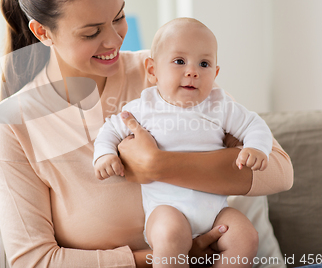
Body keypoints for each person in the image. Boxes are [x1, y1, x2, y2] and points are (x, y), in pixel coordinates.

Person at [0, 0, 293, 267]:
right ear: (42, 32)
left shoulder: (165, 70)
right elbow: (33, 261)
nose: (114, 40)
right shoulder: (15, 124)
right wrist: (158, 256)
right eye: (91, 32)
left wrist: (160, 166)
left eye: (118, 17)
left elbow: (279, 172)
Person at [93, 17, 272, 267]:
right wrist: (105, 155)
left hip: (215, 211)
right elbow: (110, 130)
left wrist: (255, 147)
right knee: (170, 236)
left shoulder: (220, 105)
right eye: (179, 61)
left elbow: (255, 125)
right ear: (153, 70)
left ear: (216, 73)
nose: (192, 71)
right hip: (167, 210)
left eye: (204, 63)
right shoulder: (145, 107)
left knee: (246, 236)